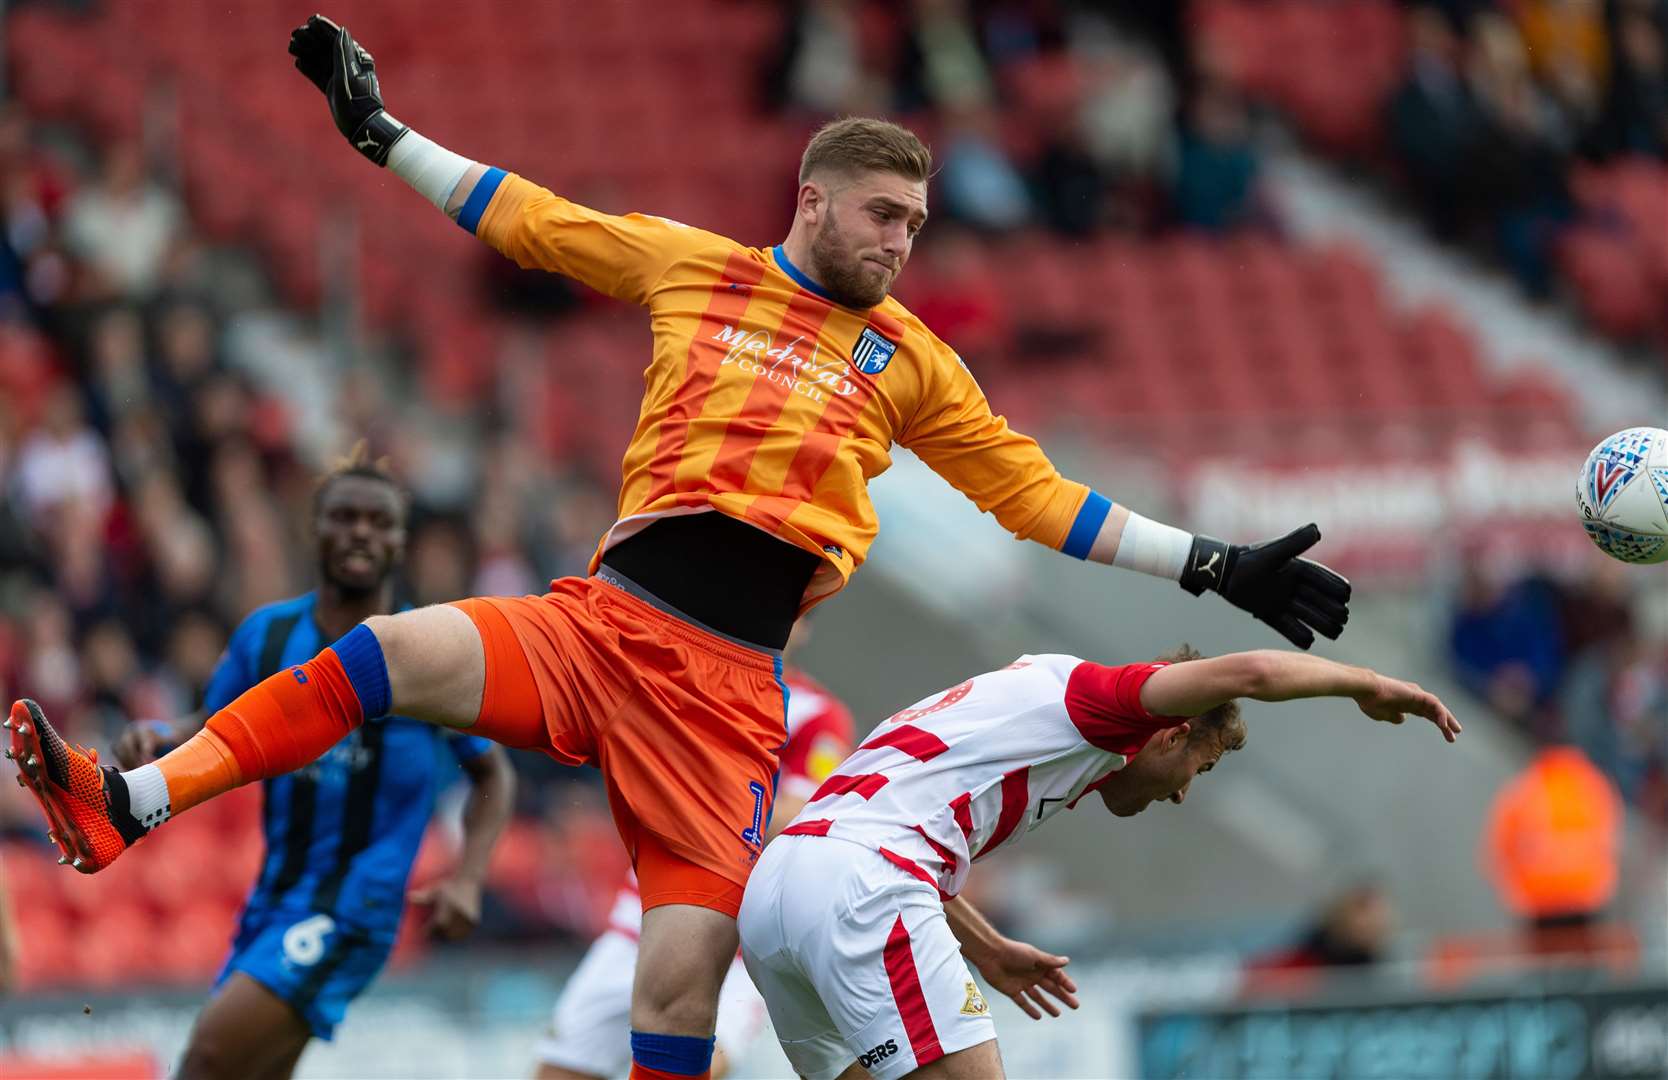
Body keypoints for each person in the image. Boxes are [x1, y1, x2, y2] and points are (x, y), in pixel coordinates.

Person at [7, 18, 1351, 1080]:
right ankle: (127, 806)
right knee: (385, 649)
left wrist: (1212, 564)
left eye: (918, 226)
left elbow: (1036, 497)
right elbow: (530, 219)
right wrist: (381, 135)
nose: (901, 242)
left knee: (678, 993)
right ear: (815, 199)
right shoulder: (694, 265)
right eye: (883, 214)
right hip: (602, 625)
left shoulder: (912, 361)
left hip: (723, 699)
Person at [738, 647, 1460, 1080]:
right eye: (1198, 770)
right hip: (861, 885)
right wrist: (1367, 683)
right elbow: (1256, 669)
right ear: (1171, 735)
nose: (1182, 796)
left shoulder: (1034, 709)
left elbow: (878, 828)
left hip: (782, 884)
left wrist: (985, 946)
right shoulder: (1109, 705)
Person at [112, 446, 514, 1080]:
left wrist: (469, 877)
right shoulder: (267, 637)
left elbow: (494, 775)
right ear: (315, 528)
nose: (361, 531)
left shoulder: (431, 651)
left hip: (357, 903)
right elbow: (212, 729)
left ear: (400, 542)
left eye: (379, 521)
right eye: (345, 516)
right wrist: (157, 737)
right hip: (276, 896)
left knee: (207, 1061)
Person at [536, 620, 855, 1080]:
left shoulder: (815, 714)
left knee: (694, 1068)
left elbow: (794, 820)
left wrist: (690, 797)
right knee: (559, 1071)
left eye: (796, 608)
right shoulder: (683, 680)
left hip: (735, 940)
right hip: (637, 924)